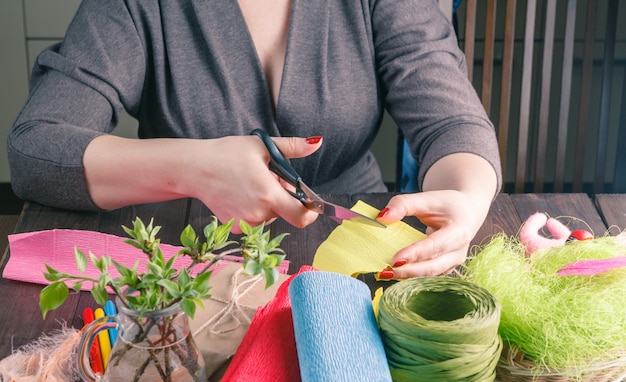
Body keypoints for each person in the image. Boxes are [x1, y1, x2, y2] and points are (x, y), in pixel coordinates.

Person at [7, 0, 501, 278]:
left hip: (365, 261)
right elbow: (36, 148)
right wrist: (192, 167)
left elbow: (451, 122)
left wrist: (468, 200)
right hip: (193, 264)